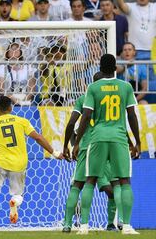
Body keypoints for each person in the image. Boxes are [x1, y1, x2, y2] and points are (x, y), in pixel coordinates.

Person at [72, 54, 141, 235]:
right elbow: (132, 115)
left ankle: (84, 226)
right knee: (124, 181)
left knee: (90, 180)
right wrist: (137, 143)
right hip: (119, 137)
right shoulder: (125, 87)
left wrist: (77, 142)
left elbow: (86, 116)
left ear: (100, 68)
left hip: (98, 138)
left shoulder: (93, 87)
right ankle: (125, 226)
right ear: (115, 67)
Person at [0, 96, 64, 231]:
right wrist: (54, 152)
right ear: (11, 108)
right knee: (18, 195)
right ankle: (14, 202)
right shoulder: (22, 121)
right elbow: (38, 137)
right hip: (19, 164)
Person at [62, 71, 124, 233]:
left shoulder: (83, 99)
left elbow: (71, 125)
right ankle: (116, 223)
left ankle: (69, 224)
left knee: (78, 185)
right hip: (109, 144)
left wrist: (67, 147)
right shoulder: (114, 97)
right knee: (114, 186)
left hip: (87, 147)